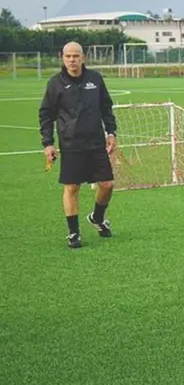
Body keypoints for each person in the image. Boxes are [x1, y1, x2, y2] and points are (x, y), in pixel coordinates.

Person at [38, 41, 117, 248]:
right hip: (71, 143)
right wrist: (48, 143)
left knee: (107, 184)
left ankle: (97, 218)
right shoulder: (55, 83)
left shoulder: (95, 79)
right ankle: (74, 233)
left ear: (83, 57)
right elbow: (46, 115)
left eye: (76, 56)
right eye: (68, 56)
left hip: (96, 141)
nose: (72, 60)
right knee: (72, 187)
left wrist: (111, 132)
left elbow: (106, 107)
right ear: (62, 58)